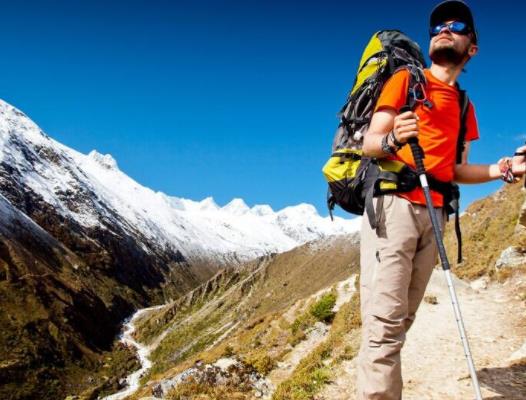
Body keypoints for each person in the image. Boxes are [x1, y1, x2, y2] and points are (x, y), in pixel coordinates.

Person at [356, 1, 526, 399]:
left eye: (457, 25)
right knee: (384, 324)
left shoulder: (465, 107)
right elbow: (369, 143)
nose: (444, 30)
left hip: (436, 215)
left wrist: (504, 169)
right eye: (437, 27)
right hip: (394, 206)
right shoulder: (405, 81)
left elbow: (455, 169)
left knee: (401, 320)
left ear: (472, 48)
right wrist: (393, 138)